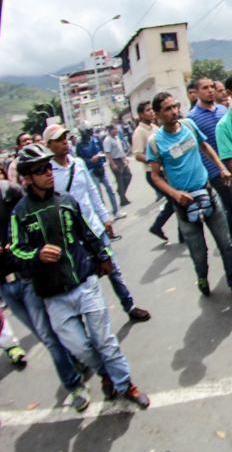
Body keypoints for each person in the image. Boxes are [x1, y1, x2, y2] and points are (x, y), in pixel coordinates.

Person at [10, 143, 150, 408]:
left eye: (48, 167)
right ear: (27, 178)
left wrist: (103, 256)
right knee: (80, 348)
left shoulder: (66, 201)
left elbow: (87, 234)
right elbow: (17, 251)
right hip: (53, 296)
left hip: (85, 285)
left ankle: (125, 384)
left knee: (105, 341)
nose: (48, 173)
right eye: (40, 170)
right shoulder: (20, 213)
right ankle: (103, 372)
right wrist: (37, 255)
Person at [0, 173, 91, 410]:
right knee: (45, 336)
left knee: (50, 337)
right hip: (5, 288)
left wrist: (18, 247)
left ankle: (74, 386)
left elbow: (34, 219)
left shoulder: (8, 192)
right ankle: (75, 360)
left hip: (28, 277)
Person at [147, 92, 232, 300]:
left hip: (208, 192)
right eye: (167, 109)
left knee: (225, 244)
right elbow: (156, 177)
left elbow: (205, 147)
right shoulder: (155, 142)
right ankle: (202, 277)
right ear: (157, 114)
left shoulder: (189, 126)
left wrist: (221, 167)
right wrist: (175, 194)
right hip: (184, 203)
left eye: (174, 106)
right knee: (198, 250)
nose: (174, 111)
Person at [45, 124, 150, 322]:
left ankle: (130, 306)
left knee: (113, 270)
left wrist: (104, 218)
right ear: (49, 145)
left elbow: (92, 192)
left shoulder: (77, 164)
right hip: (73, 237)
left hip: (94, 228)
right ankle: (99, 322)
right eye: (58, 140)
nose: (64, 143)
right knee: (88, 280)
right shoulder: (49, 173)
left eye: (65, 138)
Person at [186, 77, 232, 258]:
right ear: (196, 93)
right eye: (205, 88)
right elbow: (200, 149)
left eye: (212, 87)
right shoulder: (190, 119)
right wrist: (219, 169)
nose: (210, 91)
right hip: (217, 172)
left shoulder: (223, 110)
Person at [132, 101, 176, 242]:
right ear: (140, 114)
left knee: (176, 201)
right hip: (153, 172)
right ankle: (157, 225)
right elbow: (138, 154)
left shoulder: (154, 127)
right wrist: (155, 160)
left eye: (152, 110)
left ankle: (180, 234)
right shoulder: (139, 132)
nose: (151, 112)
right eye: (147, 110)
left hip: (165, 170)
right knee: (174, 199)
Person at [75, 128, 122, 217]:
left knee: (110, 189)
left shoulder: (96, 139)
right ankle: (104, 214)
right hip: (91, 170)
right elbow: (79, 159)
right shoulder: (80, 144)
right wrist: (90, 161)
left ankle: (116, 210)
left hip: (101, 167)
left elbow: (102, 150)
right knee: (98, 194)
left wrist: (100, 156)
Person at [102, 124, 132, 206]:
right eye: (115, 129)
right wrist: (112, 164)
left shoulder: (116, 138)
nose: (117, 130)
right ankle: (123, 199)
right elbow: (108, 153)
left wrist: (124, 157)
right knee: (120, 180)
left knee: (128, 175)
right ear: (110, 130)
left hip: (120, 159)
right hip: (115, 160)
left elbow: (120, 149)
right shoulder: (107, 140)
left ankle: (121, 192)